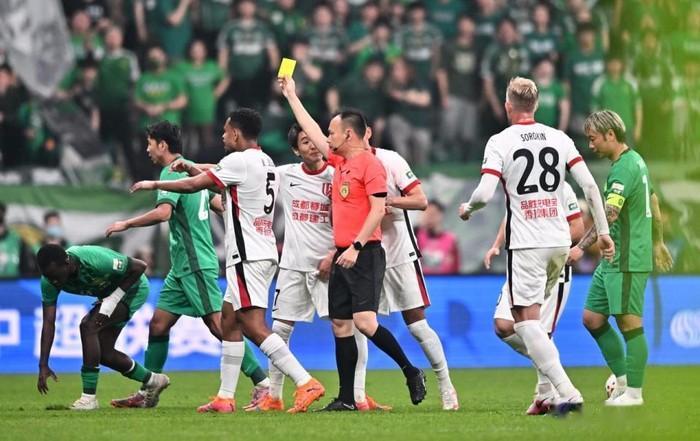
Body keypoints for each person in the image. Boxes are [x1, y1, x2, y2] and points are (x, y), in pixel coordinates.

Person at [130, 109, 324, 414]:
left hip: (247, 255)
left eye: (225, 131)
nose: (222, 136)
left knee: (253, 326)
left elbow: (195, 184)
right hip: (262, 250)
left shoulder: (237, 161)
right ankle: (225, 397)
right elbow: (215, 173)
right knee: (230, 321)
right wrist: (192, 166)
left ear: (236, 133)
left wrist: (154, 185)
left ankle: (305, 381)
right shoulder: (264, 160)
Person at [458, 77, 613, 415]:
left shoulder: (500, 141)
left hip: (528, 243)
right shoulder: (559, 138)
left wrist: (468, 209)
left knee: (525, 322)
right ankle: (546, 393)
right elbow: (590, 186)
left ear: (507, 106)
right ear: (537, 105)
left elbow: (484, 193)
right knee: (531, 326)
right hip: (558, 242)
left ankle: (567, 392)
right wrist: (603, 232)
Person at [279, 76, 427, 411]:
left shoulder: (371, 165)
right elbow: (310, 128)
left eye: (332, 133)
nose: (326, 138)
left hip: (365, 253)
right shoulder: (340, 162)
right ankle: (346, 398)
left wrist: (355, 247)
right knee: (341, 325)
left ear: (348, 134)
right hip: (344, 254)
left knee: (364, 322)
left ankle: (410, 370)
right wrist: (291, 95)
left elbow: (378, 209)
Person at [104, 121, 270, 409]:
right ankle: (149, 388)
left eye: (150, 143)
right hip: (181, 267)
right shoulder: (192, 170)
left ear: (162, 145)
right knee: (158, 324)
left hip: (195, 263)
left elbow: (164, 213)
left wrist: (126, 224)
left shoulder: (172, 172)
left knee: (219, 325)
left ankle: (262, 383)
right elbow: (218, 205)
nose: (147, 149)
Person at [253, 123, 384, 412]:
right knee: (280, 329)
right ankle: (274, 397)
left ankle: (358, 395)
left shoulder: (337, 174)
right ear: (295, 150)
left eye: (314, 140)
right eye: (305, 142)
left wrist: (333, 253)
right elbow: (249, 174)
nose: (313, 145)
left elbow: (353, 216)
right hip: (292, 266)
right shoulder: (286, 174)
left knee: (350, 328)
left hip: (330, 265)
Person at [568, 110, 673, 406]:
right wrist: (658, 242)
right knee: (592, 318)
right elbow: (653, 200)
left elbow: (610, 215)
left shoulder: (624, 169)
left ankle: (634, 394)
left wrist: (580, 247)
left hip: (626, 257)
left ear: (610, 135)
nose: (591, 145)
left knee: (629, 324)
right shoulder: (636, 161)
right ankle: (623, 382)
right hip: (612, 260)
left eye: (593, 139)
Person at [485, 182, 584, 414]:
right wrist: (497, 244)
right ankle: (551, 389)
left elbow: (577, 228)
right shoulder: (519, 183)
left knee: (539, 332)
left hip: (552, 268)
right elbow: (512, 216)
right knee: (504, 325)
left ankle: (551, 393)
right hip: (520, 265)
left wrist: (544, 242)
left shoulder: (561, 187)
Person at [36, 244, 170, 410]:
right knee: (104, 353)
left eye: (56, 275)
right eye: (48, 277)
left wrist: (113, 299)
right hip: (109, 296)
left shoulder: (94, 259)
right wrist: (43, 364)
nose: (54, 281)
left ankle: (88, 399)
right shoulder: (49, 281)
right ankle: (153, 380)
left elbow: (140, 266)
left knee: (88, 326)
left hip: (133, 288)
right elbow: (48, 322)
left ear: (67, 262)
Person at [415, 200, 460, 274]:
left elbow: (455, 267)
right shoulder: (416, 235)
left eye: (432, 214)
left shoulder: (451, 239)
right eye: (426, 214)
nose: (429, 218)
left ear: (441, 215)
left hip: (443, 279)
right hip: (422, 279)